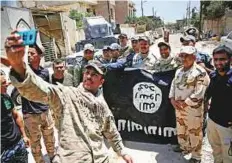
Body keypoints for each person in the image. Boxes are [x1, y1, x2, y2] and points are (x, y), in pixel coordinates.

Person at [5, 30, 133, 163]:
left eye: (94, 74)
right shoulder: (67, 95)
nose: (88, 76)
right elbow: (41, 89)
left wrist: (122, 152)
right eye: (87, 72)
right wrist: (19, 67)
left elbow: (111, 130)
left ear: (101, 82)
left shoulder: (101, 105)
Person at [13, 42, 55, 163]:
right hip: (30, 115)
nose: (29, 56)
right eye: (28, 53)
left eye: (32, 53)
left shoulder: (45, 73)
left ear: (40, 56)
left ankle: (53, 157)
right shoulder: (24, 72)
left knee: (50, 139)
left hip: (45, 111)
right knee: (35, 145)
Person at [169, 46, 210, 163]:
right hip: (178, 107)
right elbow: (173, 85)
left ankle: (196, 156)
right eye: (182, 55)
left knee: (194, 132)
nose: (184, 58)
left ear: (194, 57)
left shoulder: (200, 72)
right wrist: (172, 98)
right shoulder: (179, 70)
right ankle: (184, 147)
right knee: (181, 129)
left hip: (193, 109)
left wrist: (185, 103)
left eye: (187, 55)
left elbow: (199, 93)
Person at [205, 45, 232, 163]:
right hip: (212, 122)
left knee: (228, 155)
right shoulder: (213, 76)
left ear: (230, 60)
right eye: (215, 59)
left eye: (222, 59)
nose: (218, 62)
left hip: (227, 126)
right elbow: (208, 94)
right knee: (216, 151)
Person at [1, 70, 30, 163]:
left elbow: (16, 115)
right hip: (4, 150)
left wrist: (24, 136)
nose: (7, 84)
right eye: (3, 83)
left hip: (18, 143)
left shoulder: (6, 97)